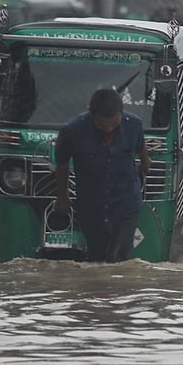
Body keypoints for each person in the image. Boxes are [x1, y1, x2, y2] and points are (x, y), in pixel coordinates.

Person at [54, 87, 152, 263]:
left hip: (126, 202)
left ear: (121, 113)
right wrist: (62, 197)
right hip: (91, 204)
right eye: (102, 125)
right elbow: (61, 164)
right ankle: (100, 289)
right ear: (91, 115)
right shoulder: (72, 130)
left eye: (113, 124)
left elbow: (141, 150)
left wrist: (146, 166)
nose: (108, 129)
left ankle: (117, 288)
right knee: (97, 258)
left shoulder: (134, 124)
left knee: (119, 257)